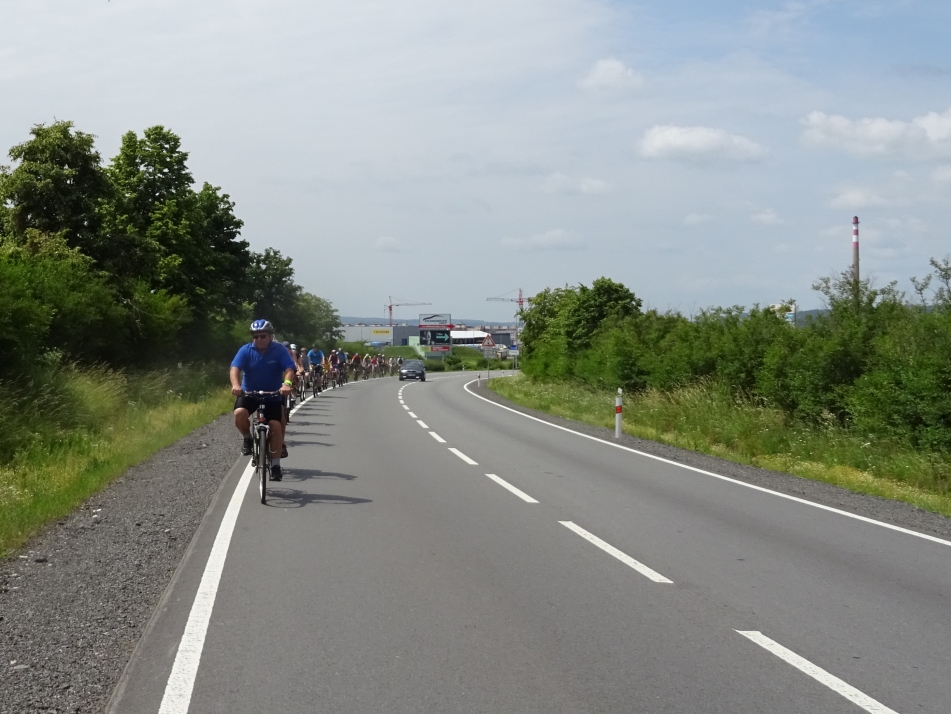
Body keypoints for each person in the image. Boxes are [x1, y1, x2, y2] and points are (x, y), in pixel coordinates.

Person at [231, 320, 295, 481]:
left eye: (263, 336)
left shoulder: (279, 350)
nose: (259, 339)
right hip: (249, 393)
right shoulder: (245, 350)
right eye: (256, 336)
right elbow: (235, 368)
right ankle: (247, 438)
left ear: (270, 336)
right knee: (239, 413)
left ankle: (275, 465)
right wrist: (236, 384)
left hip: (272, 395)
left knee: (275, 425)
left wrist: (286, 384)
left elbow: (289, 368)